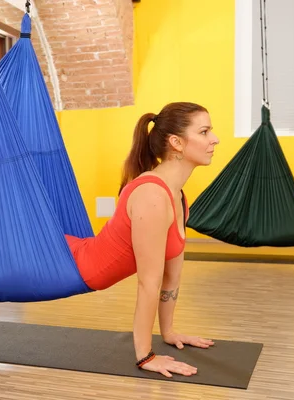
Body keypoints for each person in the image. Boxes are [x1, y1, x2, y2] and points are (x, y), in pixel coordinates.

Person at [65, 102, 220, 378]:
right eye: (205, 132)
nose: (214, 139)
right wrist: (146, 356)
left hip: (80, 259)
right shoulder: (152, 196)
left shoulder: (179, 197)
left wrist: (168, 331)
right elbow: (149, 283)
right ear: (176, 143)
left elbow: (172, 276)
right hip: (67, 264)